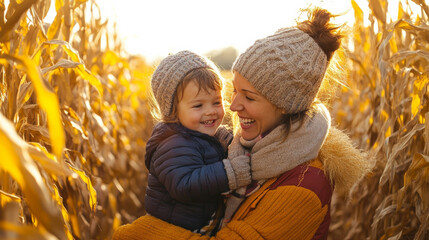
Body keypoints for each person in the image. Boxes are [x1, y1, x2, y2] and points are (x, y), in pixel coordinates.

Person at [113, 8, 371, 240]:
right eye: (234, 91)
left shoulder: (304, 185)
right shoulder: (251, 149)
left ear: (284, 104)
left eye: (248, 97)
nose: (233, 106)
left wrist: (137, 232)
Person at [142, 50, 253, 235]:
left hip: (199, 221)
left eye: (216, 102)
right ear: (173, 112)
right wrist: (230, 172)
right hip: (175, 229)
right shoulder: (172, 143)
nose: (210, 111)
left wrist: (227, 143)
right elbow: (184, 184)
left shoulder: (202, 135)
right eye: (198, 105)